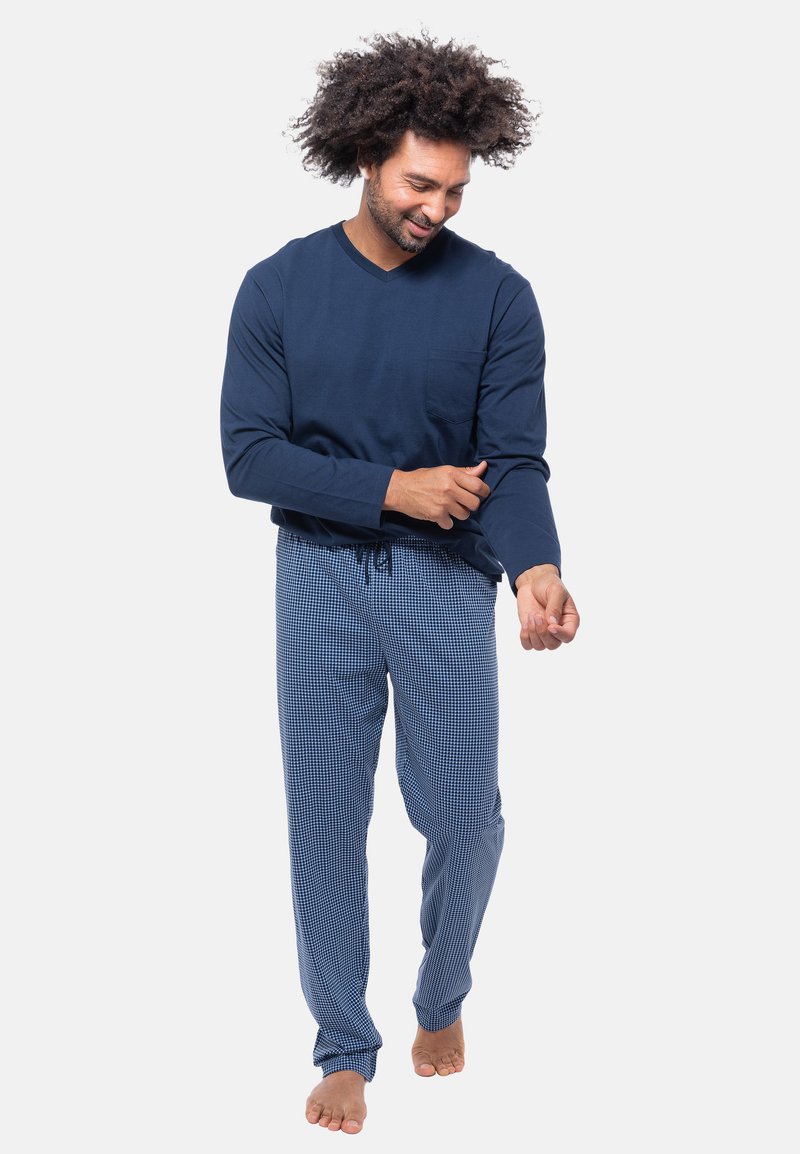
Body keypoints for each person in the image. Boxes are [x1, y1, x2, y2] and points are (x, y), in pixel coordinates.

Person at [219, 31, 580, 1136]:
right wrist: (394, 489)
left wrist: (536, 566)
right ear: (368, 156)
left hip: (446, 580)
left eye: (456, 189)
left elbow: (513, 461)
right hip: (316, 575)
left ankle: (442, 991)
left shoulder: (498, 297)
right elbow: (249, 456)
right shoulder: (277, 287)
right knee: (325, 821)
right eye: (421, 183)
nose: (437, 208)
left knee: (465, 817)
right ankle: (342, 1045)